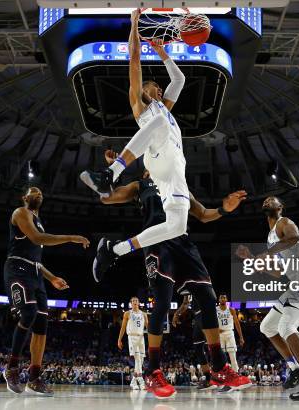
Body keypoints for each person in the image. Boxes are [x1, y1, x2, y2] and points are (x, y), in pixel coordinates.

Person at [96, 152, 250, 398]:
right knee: (162, 303)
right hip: (157, 240)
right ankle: (153, 371)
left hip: (184, 243)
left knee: (208, 299)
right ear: (148, 167)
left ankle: (219, 368)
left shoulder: (179, 184)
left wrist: (223, 208)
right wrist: (111, 174)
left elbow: (202, 214)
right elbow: (107, 199)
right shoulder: (140, 185)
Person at [81, 9, 191, 281]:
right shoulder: (141, 106)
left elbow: (179, 80)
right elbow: (134, 59)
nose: (161, 91)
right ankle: (109, 175)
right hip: (155, 156)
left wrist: (162, 50)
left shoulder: (165, 108)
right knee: (162, 124)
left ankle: (113, 250)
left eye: (160, 90)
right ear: (144, 91)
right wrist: (133, 25)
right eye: (155, 88)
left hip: (175, 166)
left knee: (178, 225)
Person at [237, 196, 299, 400]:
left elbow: (294, 239)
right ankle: (296, 370)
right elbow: (279, 272)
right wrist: (254, 261)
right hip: (295, 284)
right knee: (267, 327)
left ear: (280, 207)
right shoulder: (270, 236)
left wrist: (265, 254)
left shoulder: (285, 223)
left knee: (286, 328)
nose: (268, 200)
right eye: (266, 199)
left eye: (273, 199)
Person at [2, 187, 90, 395]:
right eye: (33, 192)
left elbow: (37, 261)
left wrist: (52, 278)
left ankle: (34, 377)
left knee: (42, 325)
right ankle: (12, 368)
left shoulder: (38, 221)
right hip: (17, 269)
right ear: (25, 198)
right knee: (29, 313)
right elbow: (37, 238)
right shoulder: (20, 213)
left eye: (41, 193)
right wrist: (70, 237)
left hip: (35, 272)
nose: (38, 193)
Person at [118, 296, 148, 390]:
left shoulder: (144, 314)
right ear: (131, 303)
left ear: (139, 303)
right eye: (133, 301)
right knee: (138, 359)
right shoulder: (127, 313)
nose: (135, 302)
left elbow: (148, 327)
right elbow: (123, 327)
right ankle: (141, 381)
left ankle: (133, 382)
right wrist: (119, 339)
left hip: (141, 337)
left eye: (136, 301)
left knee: (141, 360)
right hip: (132, 336)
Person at [216, 294, 245, 373]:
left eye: (224, 298)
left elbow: (237, 324)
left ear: (226, 300)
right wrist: (216, 329)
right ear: (219, 300)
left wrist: (241, 337)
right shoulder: (215, 310)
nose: (222, 299)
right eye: (221, 298)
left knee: (232, 356)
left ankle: (235, 374)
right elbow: (211, 322)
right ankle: (221, 375)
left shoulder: (231, 310)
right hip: (219, 334)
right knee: (220, 356)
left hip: (229, 333)